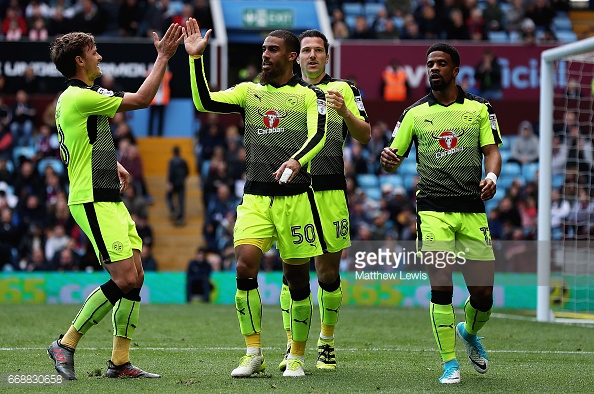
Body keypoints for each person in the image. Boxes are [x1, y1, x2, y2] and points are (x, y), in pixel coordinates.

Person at [184, 18, 327, 378]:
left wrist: (296, 160)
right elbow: (205, 102)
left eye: (272, 49)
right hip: (255, 197)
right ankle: (253, 352)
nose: (265, 54)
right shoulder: (249, 92)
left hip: (296, 198)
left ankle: (296, 355)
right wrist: (195, 60)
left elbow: (320, 134)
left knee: (296, 281)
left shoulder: (311, 96)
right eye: (263, 49)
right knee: (244, 265)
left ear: (292, 57)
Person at [46, 23, 184, 380]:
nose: (100, 56)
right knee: (123, 279)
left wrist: (116, 165)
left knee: (135, 278)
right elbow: (142, 100)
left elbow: (83, 142)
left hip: (107, 195)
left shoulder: (84, 97)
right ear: (80, 60)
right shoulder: (79, 96)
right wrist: (163, 57)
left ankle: (119, 362)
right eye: (94, 52)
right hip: (91, 199)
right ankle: (66, 342)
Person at [380, 43, 502, 384]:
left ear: (455, 70)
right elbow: (393, 156)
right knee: (442, 287)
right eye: (430, 63)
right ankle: (450, 363)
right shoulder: (414, 113)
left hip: (472, 210)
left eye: (441, 63)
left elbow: (491, 152)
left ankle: (468, 330)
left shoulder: (479, 109)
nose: (434, 68)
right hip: (432, 210)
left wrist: (491, 176)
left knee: (483, 295)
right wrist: (387, 161)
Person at [278, 29, 370, 373]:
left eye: (319, 50)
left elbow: (366, 134)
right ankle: (292, 342)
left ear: (327, 56)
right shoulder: (283, 91)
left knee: (327, 273)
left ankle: (326, 342)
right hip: (292, 191)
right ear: (296, 56)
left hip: (330, 190)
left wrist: (346, 112)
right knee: (293, 272)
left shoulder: (346, 89)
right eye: (306, 50)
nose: (312, 55)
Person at [166, 145, 189, 226]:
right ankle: (181, 217)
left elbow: (171, 173)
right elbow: (187, 172)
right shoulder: (183, 161)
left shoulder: (172, 162)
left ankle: (174, 211)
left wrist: (170, 182)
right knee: (181, 200)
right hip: (181, 183)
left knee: (169, 197)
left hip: (174, 183)